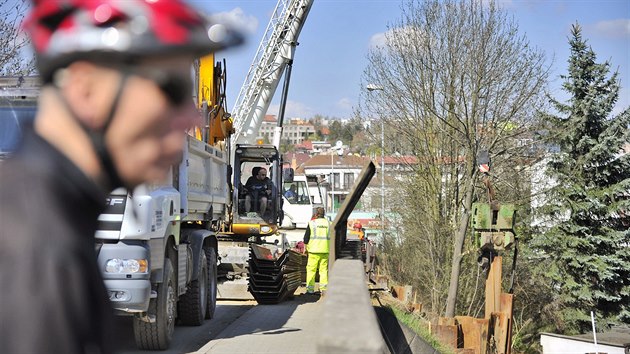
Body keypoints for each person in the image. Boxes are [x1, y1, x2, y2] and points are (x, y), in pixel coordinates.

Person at [0, 1, 242, 353]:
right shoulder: (40, 256)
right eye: (172, 91)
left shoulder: (50, 217)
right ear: (86, 89)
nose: (190, 117)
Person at [303, 207, 331, 296]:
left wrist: (305, 248)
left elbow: (306, 238)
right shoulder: (329, 223)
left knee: (311, 270)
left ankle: (310, 290)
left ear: (316, 214)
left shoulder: (312, 223)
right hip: (325, 250)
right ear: (324, 214)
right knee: (323, 270)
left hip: (313, 251)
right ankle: (324, 289)